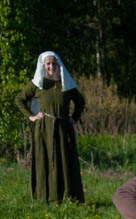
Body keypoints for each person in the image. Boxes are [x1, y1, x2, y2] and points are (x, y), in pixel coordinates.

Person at [15, 51, 86, 203]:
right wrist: (31, 116)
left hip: (63, 128)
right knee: (45, 160)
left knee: (65, 162)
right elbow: (20, 99)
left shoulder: (65, 83)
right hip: (44, 129)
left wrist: (73, 118)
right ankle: (46, 197)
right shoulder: (38, 84)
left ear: (58, 65)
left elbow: (80, 102)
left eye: (54, 64)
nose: (51, 67)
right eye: (48, 64)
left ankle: (68, 196)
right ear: (43, 66)